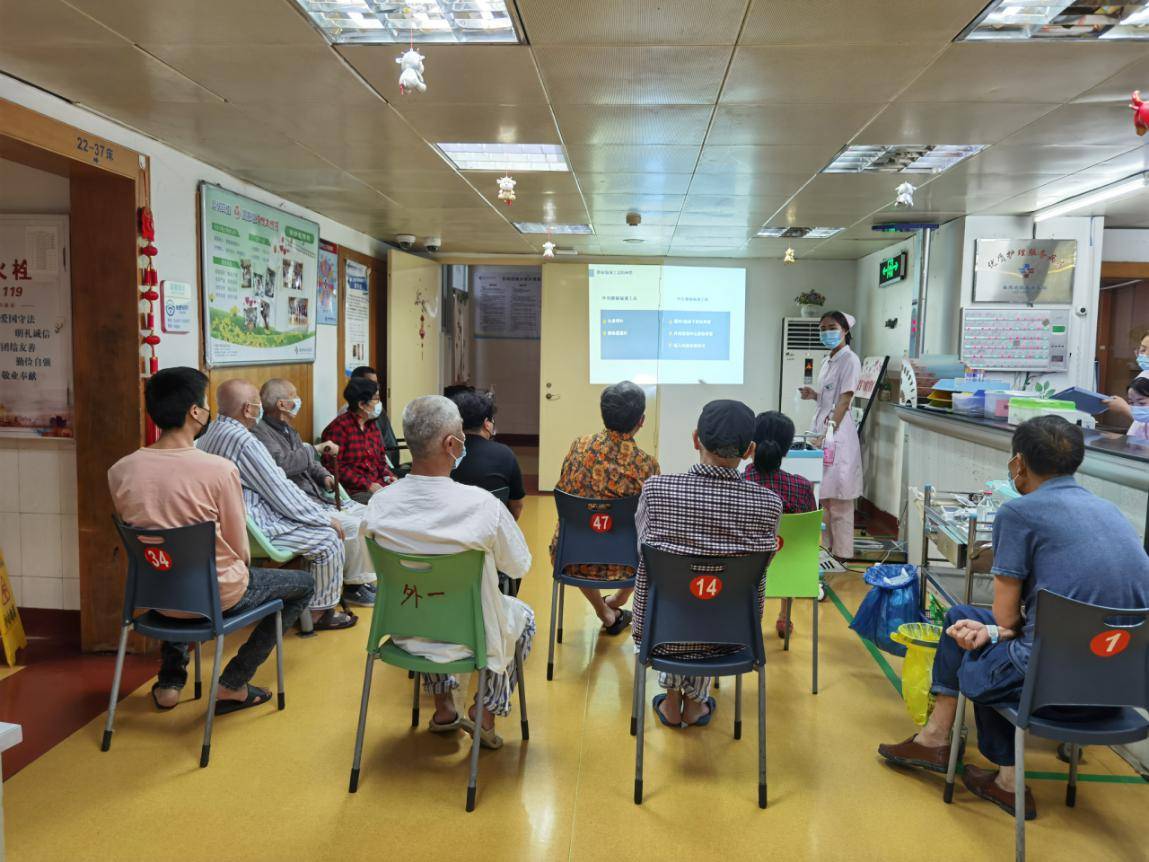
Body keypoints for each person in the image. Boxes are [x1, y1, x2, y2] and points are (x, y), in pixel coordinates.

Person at [878, 416, 1149, 820]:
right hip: (1117, 686)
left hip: (1050, 688)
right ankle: (935, 739)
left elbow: (1005, 619)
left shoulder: (1019, 514)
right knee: (960, 617)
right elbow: (1015, 623)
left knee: (971, 652)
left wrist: (992, 632)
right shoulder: (1109, 511)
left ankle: (1003, 778)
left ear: (1018, 463)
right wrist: (994, 629)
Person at [107, 367, 314, 713]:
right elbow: (240, 550)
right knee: (304, 585)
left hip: (153, 595)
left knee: (175, 567)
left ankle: (170, 682)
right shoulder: (219, 470)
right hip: (216, 596)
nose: (207, 411)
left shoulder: (120, 470)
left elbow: (154, 534)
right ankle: (233, 683)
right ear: (194, 412)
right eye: (205, 404)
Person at [365, 396, 534, 750]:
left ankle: (444, 707)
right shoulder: (482, 505)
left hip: (406, 631)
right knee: (524, 618)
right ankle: (484, 712)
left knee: (427, 605)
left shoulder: (380, 503)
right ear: (450, 444)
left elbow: (371, 569)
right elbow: (518, 565)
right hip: (471, 637)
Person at [633, 399, 781, 728]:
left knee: (677, 591)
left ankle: (672, 700)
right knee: (714, 599)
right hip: (734, 635)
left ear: (695, 439)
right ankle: (696, 703)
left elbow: (644, 556)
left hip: (660, 631)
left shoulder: (656, 491)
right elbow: (759, 569)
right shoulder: (769, 504)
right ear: (750, 451)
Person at [199, 380, 356, 631]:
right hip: (255, 526)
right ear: (248, 409)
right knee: (328, 539)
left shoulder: (210, 433)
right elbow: (279, 489)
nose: (260, 409)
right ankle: (317, 614)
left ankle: (309, 606)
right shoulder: (244, 441)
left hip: (230, 525)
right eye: (257, 404)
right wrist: (322, 518)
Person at [252, 378, 378, 607]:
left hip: (318, 495)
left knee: (369, 515)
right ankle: (354, 586)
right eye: (294, 395)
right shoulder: (261, 433)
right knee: (353, 525)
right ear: (282, 404)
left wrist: (324, 476)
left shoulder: (288, 429)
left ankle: (363, 579)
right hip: (301, 503)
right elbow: (283, 465)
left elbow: (310, 463)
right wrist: (315, 449)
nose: (298, 399)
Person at [550, 381, 660, 635]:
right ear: (641, 421)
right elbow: (652, 521)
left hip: (571, 556)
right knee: (649, 542)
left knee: (579, 530)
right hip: (627, 563)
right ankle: (616, 602)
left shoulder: (578, 447)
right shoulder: (646, 465)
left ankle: (605, 612)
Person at [744, 411, 818, 638]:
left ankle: (743, 620)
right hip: (790, 574)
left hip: (745, 574)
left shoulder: (740, 484)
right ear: (786, 450)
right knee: (788, 549)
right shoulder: (802, 487)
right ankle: (785, 616)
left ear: (751, 445)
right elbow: (806, 539)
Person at [800, 310, 862, 559]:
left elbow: (845, 400)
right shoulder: (828, 360)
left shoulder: (850, 360)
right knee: (824, 496)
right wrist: (814, 395)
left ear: (845, 330)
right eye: (823, 328)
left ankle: (843, 554)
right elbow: (829, 397)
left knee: (839, 499)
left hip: (837, 433)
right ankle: (826, 551)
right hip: (823, 429)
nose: (827, 332)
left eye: (832, 327)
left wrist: (830, 431)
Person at [449, 389, 526, 520]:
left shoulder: (442, 454)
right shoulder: (505, 454)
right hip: (491, 528)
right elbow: (516, 506)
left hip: (449, 528)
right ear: (486, 423)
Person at [322, 377, 397, 504]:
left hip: (378, 485)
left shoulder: (371, 425)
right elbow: (334, 467)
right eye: (376, 399)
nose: (379, 403)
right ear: (362, 404)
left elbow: (380, 459)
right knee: (390, 504)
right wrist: (368, 485)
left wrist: (388, 476)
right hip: (354, 492)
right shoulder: (339, 428)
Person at [347, 365, 402, 469]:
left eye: (376, 384)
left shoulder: (376, 413)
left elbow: (388, 442)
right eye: (371, 383)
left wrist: (390, 472)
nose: (375, 387)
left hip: (387, 468)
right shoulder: (345, 419)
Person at [1126, 374, 1149, 441]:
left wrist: (1124, 409)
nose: (1136, 407)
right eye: (1131, 402)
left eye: (1142, 403)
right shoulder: (1139, 422)